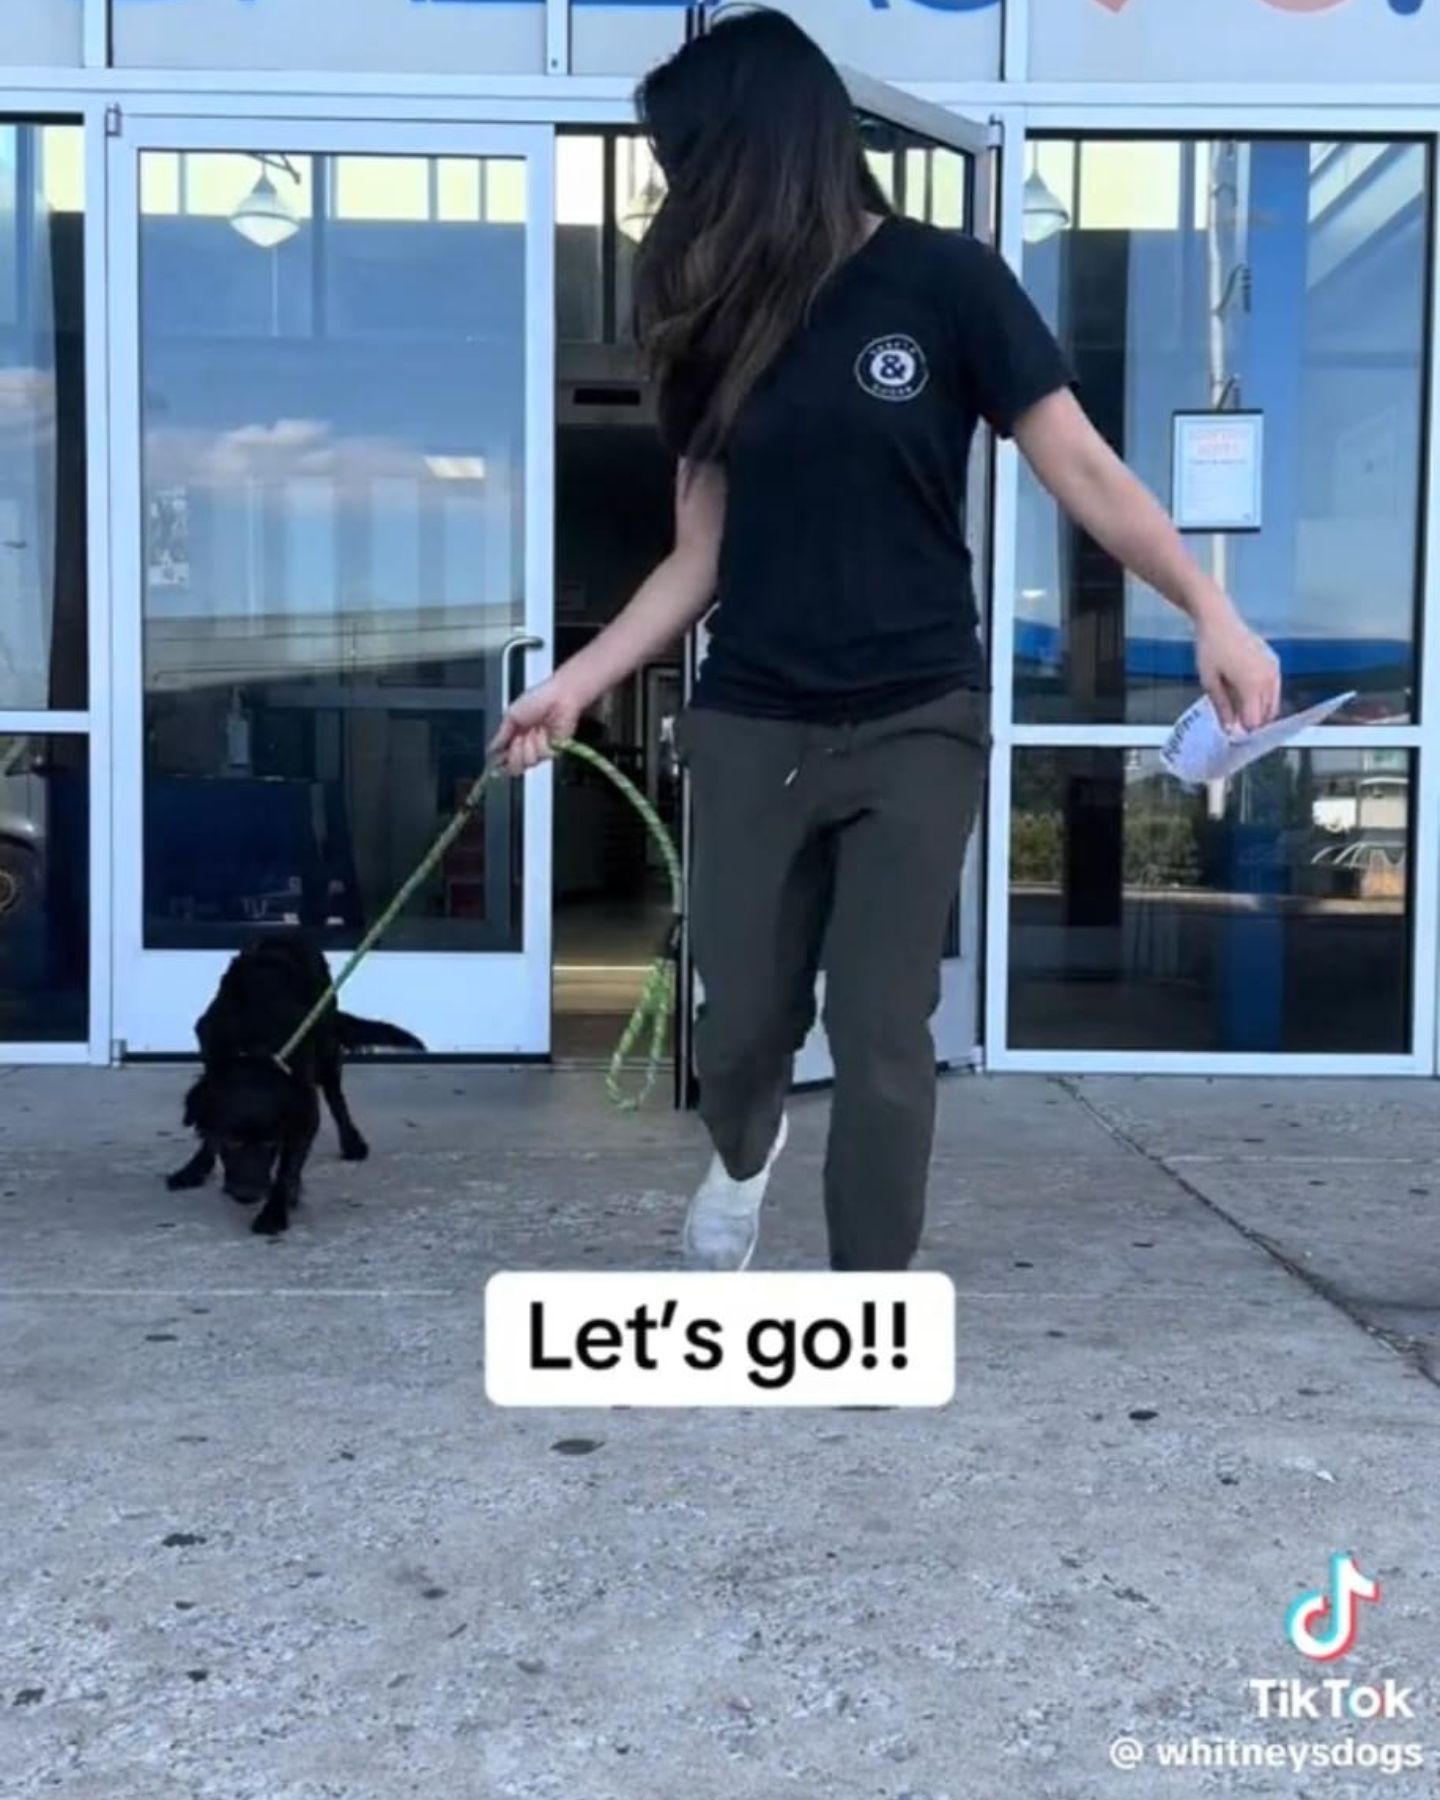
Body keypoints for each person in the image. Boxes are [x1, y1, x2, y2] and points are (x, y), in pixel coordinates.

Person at [493, 9, 1280, 1274]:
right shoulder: (709, 327)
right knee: (741, 1026)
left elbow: (1080, 465)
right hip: (754, 720)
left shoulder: (947, 281)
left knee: (881, 1030)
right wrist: (574, 685)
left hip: (917, 714)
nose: (674, 191)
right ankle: (744, 1159)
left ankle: (868, 1304)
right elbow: (698, 555)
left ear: (756, 146)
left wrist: (1211, 608)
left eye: (687, 159)